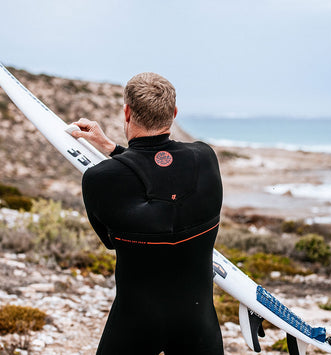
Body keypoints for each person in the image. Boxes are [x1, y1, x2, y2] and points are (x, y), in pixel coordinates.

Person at [70, 72, 224, 355]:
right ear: (174, 113)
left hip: (135, 322)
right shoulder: (205, 158)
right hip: (198, 321)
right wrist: (111, 148)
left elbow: (110, 240)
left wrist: (115, 154)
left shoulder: (99, 178)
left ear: (127, 112)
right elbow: (165, 171)